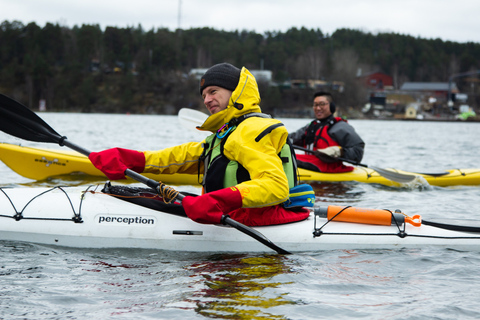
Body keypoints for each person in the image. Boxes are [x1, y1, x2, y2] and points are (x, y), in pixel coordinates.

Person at [89, 63, 311, 226]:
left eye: (213, 91)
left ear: (236, 93)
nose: (206, 100)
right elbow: (183, 156)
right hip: (232, 214)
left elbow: (276, 186)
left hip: (254, 219)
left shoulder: (251, 129)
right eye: (204, 95)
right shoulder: (225, 133)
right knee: (141, 196)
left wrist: (217, 200)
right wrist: (132, 159)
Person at [289, 91, 365, 173]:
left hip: (330, 167)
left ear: (331, 106)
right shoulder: (310, 127)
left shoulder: (340, 127)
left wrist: (339, 151)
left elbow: (358, 151)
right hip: (309, 162)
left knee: (288, 159)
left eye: (322, 104)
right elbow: (291, 139)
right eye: (315, 105)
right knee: (284, 157)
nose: (318, 108)